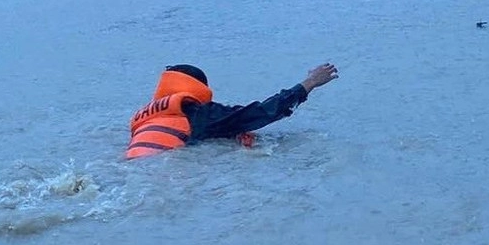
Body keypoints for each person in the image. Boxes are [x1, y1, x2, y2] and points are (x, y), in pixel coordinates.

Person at [125, 62, 339, 159]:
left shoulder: (143, 120)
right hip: (165, 170)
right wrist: (309, 83)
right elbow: (261, 112)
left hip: (131, 164)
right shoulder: (201, 114)